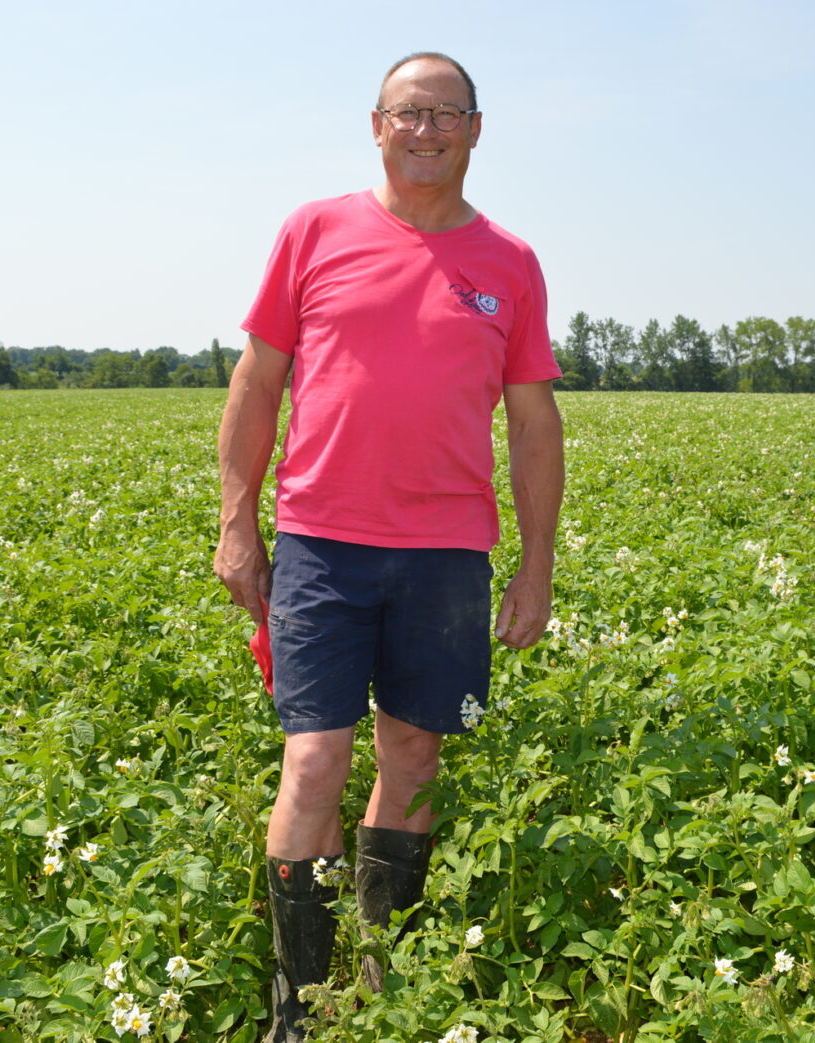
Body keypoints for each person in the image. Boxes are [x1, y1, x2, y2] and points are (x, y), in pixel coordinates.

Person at [213, 52, 564, 1042]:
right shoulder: (313, 230)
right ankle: (297, 1001)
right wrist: (238, 519)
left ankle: (378, 972)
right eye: (408, 113)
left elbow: (534, 423)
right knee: (315, 758)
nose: (426, 129)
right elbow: (256, 382)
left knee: (411, 753)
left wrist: (535, 563)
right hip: (323, 540)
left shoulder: (510, 262)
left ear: (475, 130)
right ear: (375, 126)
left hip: (448, 552)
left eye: (446, 113)